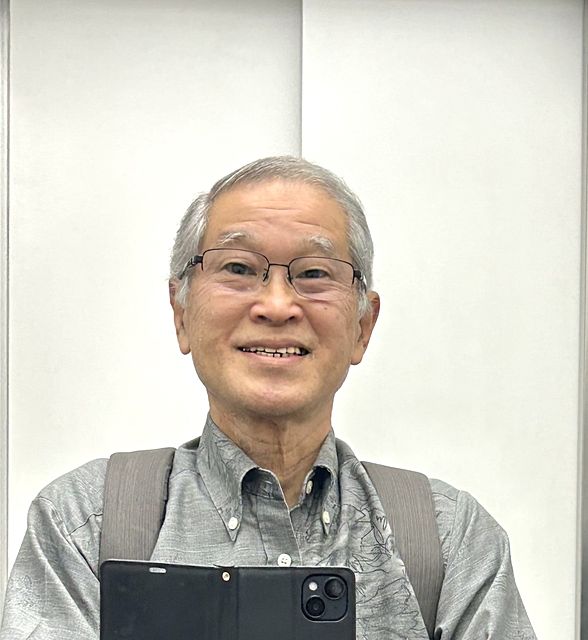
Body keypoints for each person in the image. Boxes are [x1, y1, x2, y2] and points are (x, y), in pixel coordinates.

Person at [0, 156, 536, 639]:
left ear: (363, 327)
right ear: (181, 312)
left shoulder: (450, 539)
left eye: (314, 273)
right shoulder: (84, 524)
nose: (277, 306)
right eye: (238, 268)